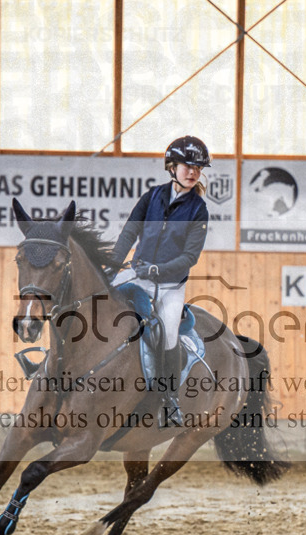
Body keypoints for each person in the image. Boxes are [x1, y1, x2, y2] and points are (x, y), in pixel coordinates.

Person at [110, 135, 211, 427]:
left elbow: (190, 257)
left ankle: (170, 401)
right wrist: (112, 267)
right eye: (188, 166)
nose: (193, 172)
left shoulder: (198, 209)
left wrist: (158, 269)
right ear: (172, 167)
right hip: (137, 274)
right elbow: (129, 233)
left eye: (198, 168)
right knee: (95, 301)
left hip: (169, 286)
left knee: (168, 333)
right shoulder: (152, 197)